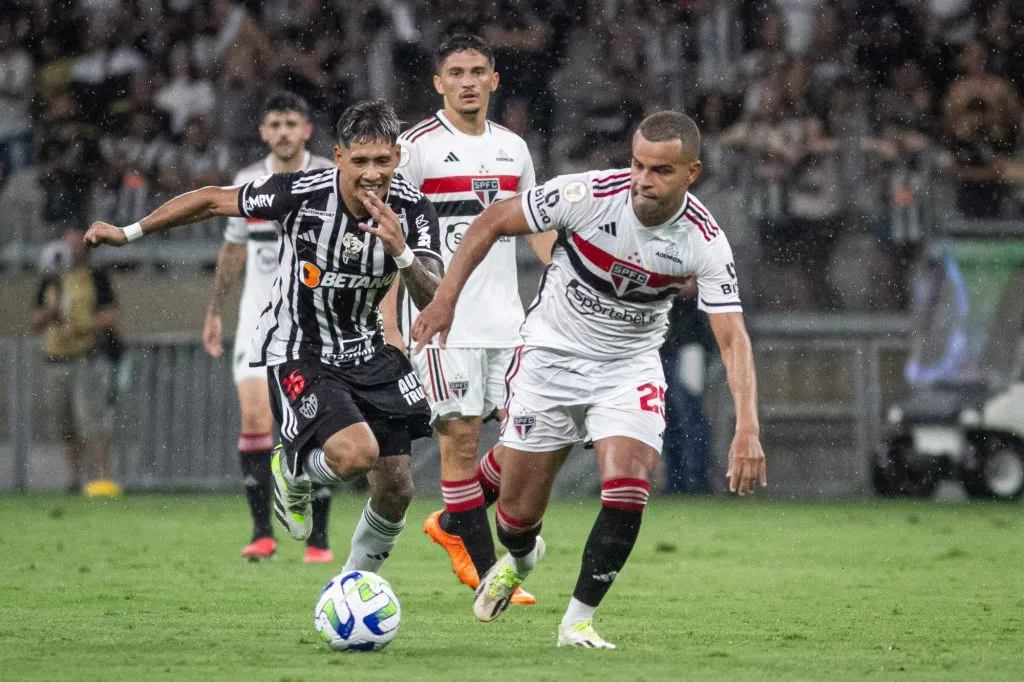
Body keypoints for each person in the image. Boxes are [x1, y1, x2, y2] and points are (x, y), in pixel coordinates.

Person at [412, 111, 767, 649]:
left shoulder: (705, 241)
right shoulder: (586, 195)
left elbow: (732, 337)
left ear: (691, 172)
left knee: (627, 486)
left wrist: (747, 428)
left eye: (661, 171)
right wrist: (444, 299)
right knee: (515, 521)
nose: (644, 181)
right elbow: (490, 223)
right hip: (549, 358)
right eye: (637, 165)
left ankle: (577, 621)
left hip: (628, 367)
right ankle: (523, 556)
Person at [85, 98, 443, 578]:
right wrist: (128, 233)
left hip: (369, 349)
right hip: (301, 350)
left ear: (398, 157)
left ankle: (354, 583)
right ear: (338, 156)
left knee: (397, 486)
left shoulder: (414, 210)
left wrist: (401, 252)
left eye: (382, 160)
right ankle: (292, 470)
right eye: (360, 161)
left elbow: (432, 296)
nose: (372, 173)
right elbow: (212, 199)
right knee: (358, 454)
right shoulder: (299, 192)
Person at [384, 33, 553, 605]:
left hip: (509, 321)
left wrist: (571, 273)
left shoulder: (515, 148)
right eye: (455, 72)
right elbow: (389, 240)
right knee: (459, 440)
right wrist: (391, 319)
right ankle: (490, 577)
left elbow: (537, 225)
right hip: (442, 321)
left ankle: (453, 522)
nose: (467, 81)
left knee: (531, 437)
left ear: (494, 79)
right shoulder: (415, 149)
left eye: (478, 71)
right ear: (438, 83)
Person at [201, 92, 336, 563]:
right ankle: (262, 531)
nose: (282, 131)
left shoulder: (327, 177)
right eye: (274, 123)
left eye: (290, 123)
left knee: (317, 429)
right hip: (260, 324)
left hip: (317, 327)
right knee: (257, 419)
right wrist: (215, 311)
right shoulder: (247, 182)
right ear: (263, 132)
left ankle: (318, 537)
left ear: (306, 130)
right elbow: (233, 251)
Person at [32, 226, 121, 497]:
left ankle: (103, 479)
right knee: (64, 422)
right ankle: (74, 479)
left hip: (84, 358)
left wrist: (82, 328)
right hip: (55, 359)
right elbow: (34, 321)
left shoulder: (95, 277)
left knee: (91, 420)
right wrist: (51, 311)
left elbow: (110, 316)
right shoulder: (49, 281)